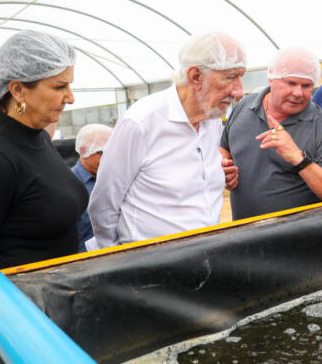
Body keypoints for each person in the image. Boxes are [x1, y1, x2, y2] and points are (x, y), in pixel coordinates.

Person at [87, 32, 247, 249]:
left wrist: (216, 174)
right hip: (149, 266)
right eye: (230, 77)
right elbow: (103, 205)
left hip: (206, 257)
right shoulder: (141, 122)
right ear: (195, 76)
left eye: (241, 77)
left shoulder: (212, 121)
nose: (239, 91)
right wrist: (118, 260)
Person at [0, 30, 87, 269]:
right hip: (22, 300)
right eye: (59, 87)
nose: (70, 98)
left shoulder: (36, 137)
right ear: (18, 90)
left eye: (69, 86)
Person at [221, 46, 322, 220]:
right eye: (291, 83)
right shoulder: (244, 107)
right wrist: (223, 169)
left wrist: (298, 158)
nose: (298, 93)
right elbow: (224, 149)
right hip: (243, 236)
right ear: (271, 79)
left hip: (296, 240)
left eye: (306, 86)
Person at [71, 124, 113, 252]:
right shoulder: (71, 185)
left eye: (112, 152)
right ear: (83, 151)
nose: (108, 159)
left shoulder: (115, 179)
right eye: (101, 153)